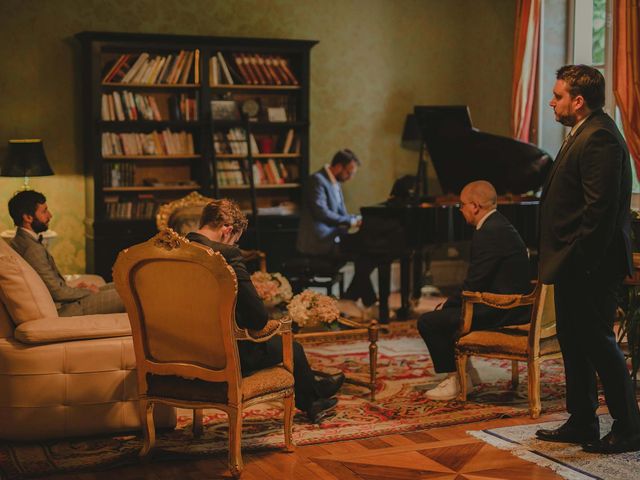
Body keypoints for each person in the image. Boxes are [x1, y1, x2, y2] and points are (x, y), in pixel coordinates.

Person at [536, 64, 640, 453]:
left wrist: (579, 262)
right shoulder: (584, 131)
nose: (552, 100)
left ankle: (629, 428)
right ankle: (582, 421)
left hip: (590, 266)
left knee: (598, 343)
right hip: (574, 263)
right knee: (574, 342)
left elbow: (598, 213)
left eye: (558, 95)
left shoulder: (600, 138)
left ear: (578, 102)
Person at [186, 198, 344, 423]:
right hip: (227, 353)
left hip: (186, 349)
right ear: (227, 231)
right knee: (292, 347)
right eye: (236, 241)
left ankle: (316, 388)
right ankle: (314, 398)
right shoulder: (225, 256)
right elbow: (258, 319)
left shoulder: (178, 250)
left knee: (285, 348)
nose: (235, 246)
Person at [417, 180, 531, 401]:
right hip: (510, 303)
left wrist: (447, 304)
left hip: (502, 308)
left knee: (429, 322)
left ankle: (457, 380)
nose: (460, 210)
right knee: (447, 316)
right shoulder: (499, 224)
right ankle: (468, 374)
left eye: (462, 205)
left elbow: (474, 283)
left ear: (475, 206)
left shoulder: (489, 232)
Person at [8, 190, 124, 316]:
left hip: (64, 302)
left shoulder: (19, 241)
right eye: (44, 211)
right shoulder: (32, 250)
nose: (50, 215)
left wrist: (76, 289)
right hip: (64, 309)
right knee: (133, 294)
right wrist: (88, 292)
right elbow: (57, 293)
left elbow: (53, 286)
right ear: (28, 217)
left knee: (124, 285)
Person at [297, 148, 378, 314]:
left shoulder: (334, 182)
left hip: (333, 237)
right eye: (350, 172)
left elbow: (341, 214)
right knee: (364, 255)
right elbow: (322, 213)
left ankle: (350, 298)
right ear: (339, 167)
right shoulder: (317, 180)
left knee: (368, 256)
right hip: (319, 241)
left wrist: (356, 218)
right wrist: (352, 221)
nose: (351, 177)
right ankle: (364, 301)